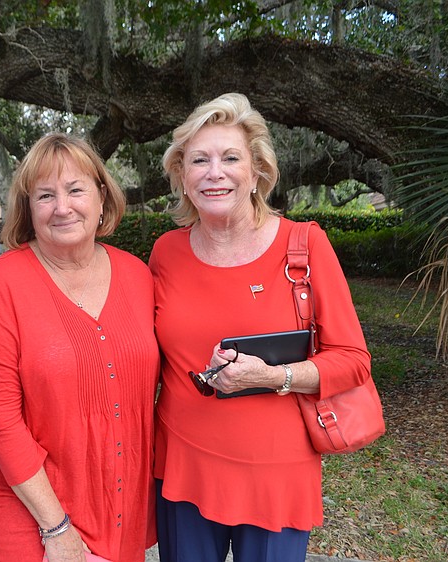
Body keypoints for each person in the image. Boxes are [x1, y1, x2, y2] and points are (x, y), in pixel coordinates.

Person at [148, 92, 372, 562]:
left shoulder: (305, 245)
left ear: (257, 173)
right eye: (198, 160)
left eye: (231, 158)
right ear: (182, 177)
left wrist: (274, 378)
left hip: (277, 473)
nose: (215, 172)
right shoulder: (165, 252)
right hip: (183, 463)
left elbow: (353, 361)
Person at [0, 133, 160, 562]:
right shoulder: (1, 284)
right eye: (45, 195)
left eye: (75, 190)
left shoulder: (138, 276)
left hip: (118, 501)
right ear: (28, 208)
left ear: (102, 197)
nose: (62, 207)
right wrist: (56, 527)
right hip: (33, 507)